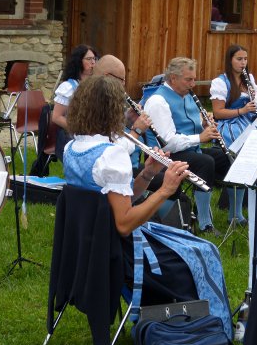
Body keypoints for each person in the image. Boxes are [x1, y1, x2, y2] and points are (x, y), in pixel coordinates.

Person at [63, 74, 187, 235]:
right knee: (200, 247)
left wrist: (147, 174)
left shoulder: (71, 148)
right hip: (110, 242)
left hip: (83, 236)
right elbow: (124, 225)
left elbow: (118, 201)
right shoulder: (112, 155)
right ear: (113, 111)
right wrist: (165, 190)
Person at [144, 57, 231, 236]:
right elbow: (167, 142)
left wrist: (204, 125)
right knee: (205, 162)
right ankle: (205, 223)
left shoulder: (187, 96)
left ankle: (234, 215)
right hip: (162, 157)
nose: (193, 84)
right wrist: (200, 137)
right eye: (188, 80)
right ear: (173, 78)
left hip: (188, 150)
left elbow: (191, 126)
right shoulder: (158, 101)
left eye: (194, 79)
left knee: (225, 157)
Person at [210, 44, 257, 225]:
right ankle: (234, 213)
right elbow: (218, 113)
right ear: (230, 61)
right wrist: (242, 110)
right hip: (230, 125)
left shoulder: (249, 79)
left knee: (249, 163)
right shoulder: (221, 82)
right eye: (239, 59)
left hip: (248, 121)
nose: (243, 63)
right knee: (237, 164)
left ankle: (238, 213)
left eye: (245, 59)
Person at [51, 44, 97, 162]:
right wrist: (80, 130)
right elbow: (56, 117)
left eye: (94, 59)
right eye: (89, 59)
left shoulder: (95, 85)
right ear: (79, 61)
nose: (93, 62)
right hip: (71, 137)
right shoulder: (68, 87)